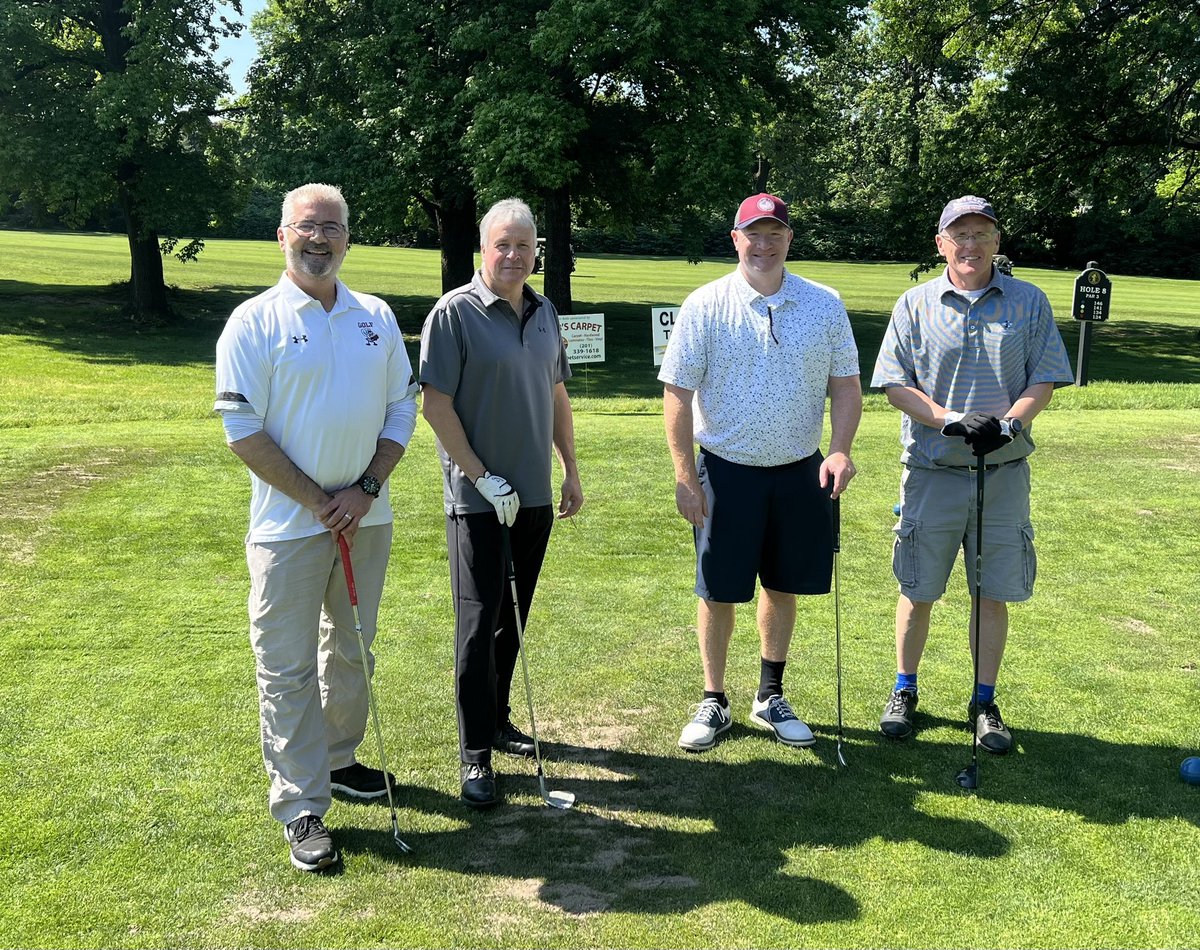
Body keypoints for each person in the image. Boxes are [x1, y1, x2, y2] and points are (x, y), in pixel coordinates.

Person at [214, 183, 419, 872]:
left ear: (348, 238)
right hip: (287, 528)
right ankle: (301, 805)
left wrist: (364, 489)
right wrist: (316, 499)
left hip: (367, 516)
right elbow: (241, 429)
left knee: (351, 652)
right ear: (283, 236)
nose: (320, 239)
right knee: (288, 667)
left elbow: (400, 410)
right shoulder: (253, 322)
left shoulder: (377, 317)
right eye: (307, 227)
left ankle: (339, 760)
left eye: (332, 227)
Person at [659, 192, 862, 753]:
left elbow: (845, 383)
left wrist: (839, 449)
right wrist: (684, 476)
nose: (764, 244)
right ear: (736, 239)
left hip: (800, 469)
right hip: (725, 471)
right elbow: (677, 393)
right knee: (718, 588)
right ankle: (713, 698)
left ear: (790, 239)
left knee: (782, 582)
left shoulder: (823, 303)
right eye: (754, 233)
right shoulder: (706, 304)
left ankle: (770, 694)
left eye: (775, 233)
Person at [871, 194, 1073, 753]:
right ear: (941, 244)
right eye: (959, 235)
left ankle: (984, 701)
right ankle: (904, 690)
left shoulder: (1028, 302)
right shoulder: (913, 304)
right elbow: (893, 383)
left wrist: (1009, 424)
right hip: (932, 471)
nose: (970, 245)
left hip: (1002, 473)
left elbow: (1047, 377)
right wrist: (949, 419)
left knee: (992, 592)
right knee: (918, 589)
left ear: (996, 242)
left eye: (981, 234)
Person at [419, 197, 583, 808]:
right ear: (483, 250)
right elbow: (435, 405)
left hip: (534, 496)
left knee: (513, 617)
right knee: (477, 621)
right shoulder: (454, 313)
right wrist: (483, 477)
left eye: (523, 245)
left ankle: (497, 718)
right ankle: (475, 756)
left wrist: (569, 466)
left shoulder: (544, 313)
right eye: (502, 245)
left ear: (536, 251)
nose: (513, 255)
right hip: (478, 498)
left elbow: (556, 391)